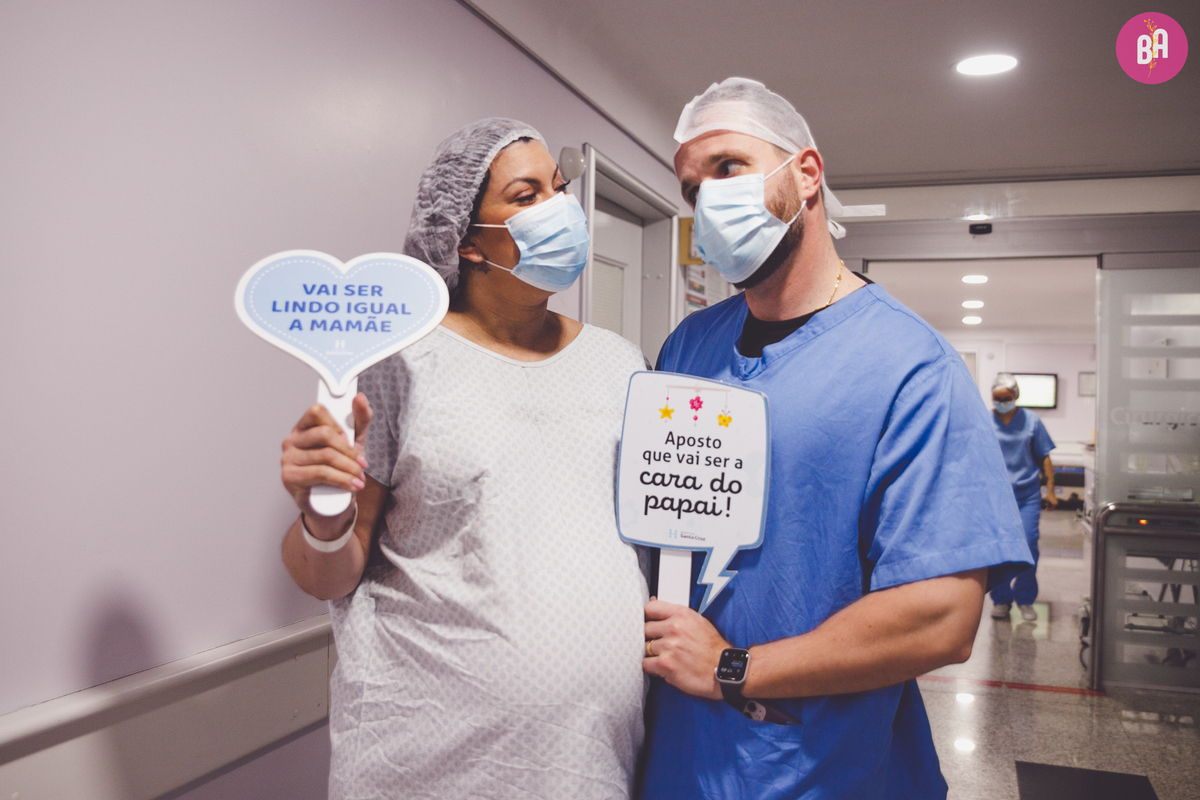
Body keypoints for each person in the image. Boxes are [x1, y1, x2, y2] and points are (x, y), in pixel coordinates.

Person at [636, 78, 1033, 799]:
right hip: (679, 759)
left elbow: (942, 617)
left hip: (820, 766)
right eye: (693, 189)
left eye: (728, 167)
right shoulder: (689, 347)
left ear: (807, 174)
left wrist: (735, 668)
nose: (708, 202)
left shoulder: (909, 365)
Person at [278, 119, 649, 799]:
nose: (560, 209)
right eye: (526, 194)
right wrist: (319, 514)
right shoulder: (399, 361)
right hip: (427, 760)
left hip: (588, 762)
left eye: (560, 189)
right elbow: (329, 577)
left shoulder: (621, 365)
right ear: (466, 241)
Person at [988, 373, 1057, 622]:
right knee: (999, 548)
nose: (1002, 402)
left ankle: (1025, 599)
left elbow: (1045, 456)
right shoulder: (985, 421)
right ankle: (1001, 600)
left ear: (1015, 396)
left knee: (1028, 545)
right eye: (997, 398)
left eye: (1006, 398)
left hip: (1027, 495)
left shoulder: (1031, 421)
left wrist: (1050, 489)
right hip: (996, 497)